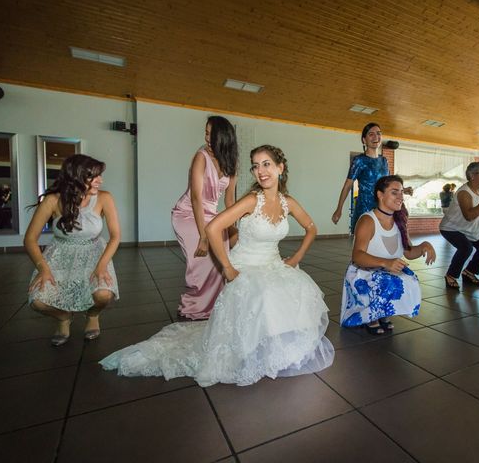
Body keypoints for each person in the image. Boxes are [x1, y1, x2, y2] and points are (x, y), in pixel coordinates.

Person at [101, 145, 334, 386]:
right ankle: (254, 348)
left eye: (266, 164)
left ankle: (277, 349)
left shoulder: (288, 203)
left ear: (280, 168)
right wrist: (227, 267)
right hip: (246, 265)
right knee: (265, 294)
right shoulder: (252, 200)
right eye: (255, 165)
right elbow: (213, 229)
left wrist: (295, 259)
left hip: (272, 263)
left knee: (297, 289)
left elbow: (311, 227)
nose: (260, 171)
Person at [24, 154, 120, 346]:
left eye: (100, 175)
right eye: (93, 176)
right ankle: (63, 318)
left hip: (94, 252)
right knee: (38, 301)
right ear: (75, 177)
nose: (100, 180)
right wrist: (43, 268)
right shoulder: (52, 200)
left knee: (103, 294)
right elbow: (30, 239)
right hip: (60, 255)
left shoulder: (105, 198)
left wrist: (101, 266)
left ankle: (93, 315)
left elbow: (115, 236)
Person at [340, 175, 436, 334]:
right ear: (380, 194)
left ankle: (382, 311)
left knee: (409, 278)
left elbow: (408, 252)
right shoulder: (367, 220)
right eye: (394, 192)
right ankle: (369, 315)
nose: (400, 197)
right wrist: (386, 262)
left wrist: (424, 246)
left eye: (401, 192)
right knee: (385, 280)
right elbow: (357, 256)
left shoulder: (400, 221)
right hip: (363, 271)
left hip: (383, 269)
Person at [171, 116, 238, 320]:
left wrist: (233, 228)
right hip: (188, 214)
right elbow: (196, 198)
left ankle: (212, 307)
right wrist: (203, 235)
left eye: (210, 133)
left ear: (222, 136)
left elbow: (229, 201)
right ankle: (193, 306)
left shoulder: (230, 162)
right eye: (206, 132)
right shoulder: (200, 156)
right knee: (201, 262)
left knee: (220, 258)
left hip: (212, 216)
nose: (206, 137)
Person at [439, 162, 479, 290]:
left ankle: (469, 272)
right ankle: (451, 275)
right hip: (451, 228)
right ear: (472, 175)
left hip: (468, 230)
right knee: (466, 248)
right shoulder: (464, 193)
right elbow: (469, 215)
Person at [332, 122, 389, 234]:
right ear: (364, 140)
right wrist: (339, 209)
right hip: (365, 209)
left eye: (378, 133)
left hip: (382, 209)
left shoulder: (384, 161)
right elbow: (348, 185)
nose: (376, 137)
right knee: (363, 246)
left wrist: (404, 190)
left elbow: (388, 184)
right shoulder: (359, 160)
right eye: (371, 134)